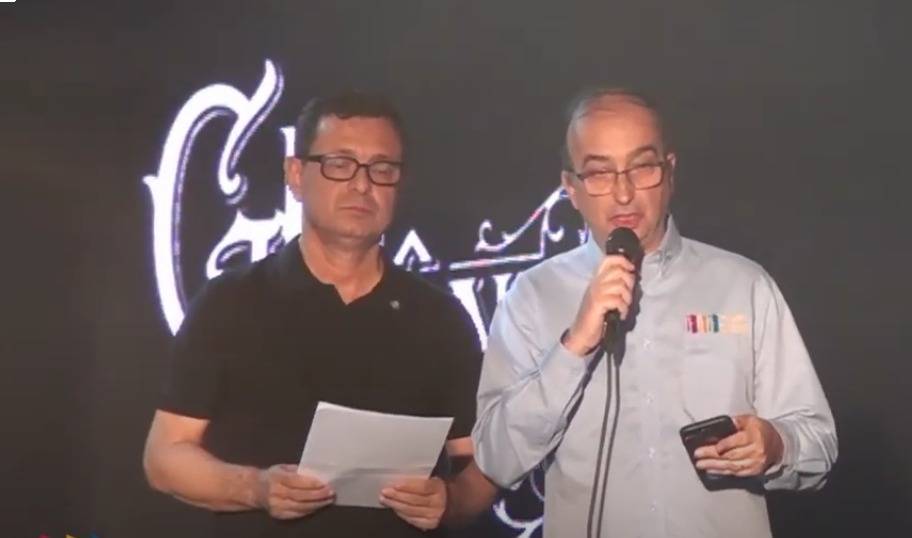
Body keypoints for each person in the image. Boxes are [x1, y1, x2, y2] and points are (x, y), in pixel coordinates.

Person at [472, 88, 838, 537]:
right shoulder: (532, 296)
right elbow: (495, 457)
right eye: (600, 173)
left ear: (669, 172)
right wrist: (573, 346)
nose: (624, 193)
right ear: (571, 187)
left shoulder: (743, 285)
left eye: (642, 167)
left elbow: (819, 443)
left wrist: (776, 445)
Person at [143, 92, 496, 537]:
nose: (362, 185)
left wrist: (451, 500)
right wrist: (255, 488)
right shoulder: (231, 302)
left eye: (382, 169)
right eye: (340, 164)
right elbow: (165, 457)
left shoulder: (441, 319)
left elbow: (478, 467)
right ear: (296, 174)